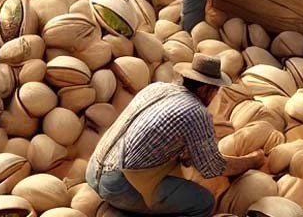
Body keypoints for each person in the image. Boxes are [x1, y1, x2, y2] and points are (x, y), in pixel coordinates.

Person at [87, 54, 264, 217]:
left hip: (93, 169)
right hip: (117, 186)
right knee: (203, 203)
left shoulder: (155, 88)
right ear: (205, 90)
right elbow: (213, 168)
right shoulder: (196, 112)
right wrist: (253, 160)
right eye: (215, 91)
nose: (215, 97)